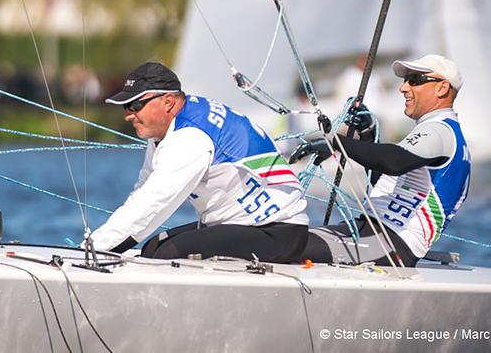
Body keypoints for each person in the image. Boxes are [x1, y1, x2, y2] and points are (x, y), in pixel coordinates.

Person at [87, 61, 309, 262]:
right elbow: (143, 193)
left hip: (276, 231)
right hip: (240, 226)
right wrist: (97, 246)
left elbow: (153, 205)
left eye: (135, 106)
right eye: (126, 107)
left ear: (167, 102)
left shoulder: (189, 137)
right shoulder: (168, 129)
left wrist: (92, 252)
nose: (128, 115)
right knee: (153, 247)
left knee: (165, 254)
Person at [290, 54, 471, 267]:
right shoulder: (436, 131)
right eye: (405, 81)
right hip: (374, 235)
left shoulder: (440, 130)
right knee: (284, 237)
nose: (403, 88)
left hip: (390, 244)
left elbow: (393, 162)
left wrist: (337, 143)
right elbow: (385, 182)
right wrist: (368, 134)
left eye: (415, 81)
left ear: (442, 88)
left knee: (282, 244)